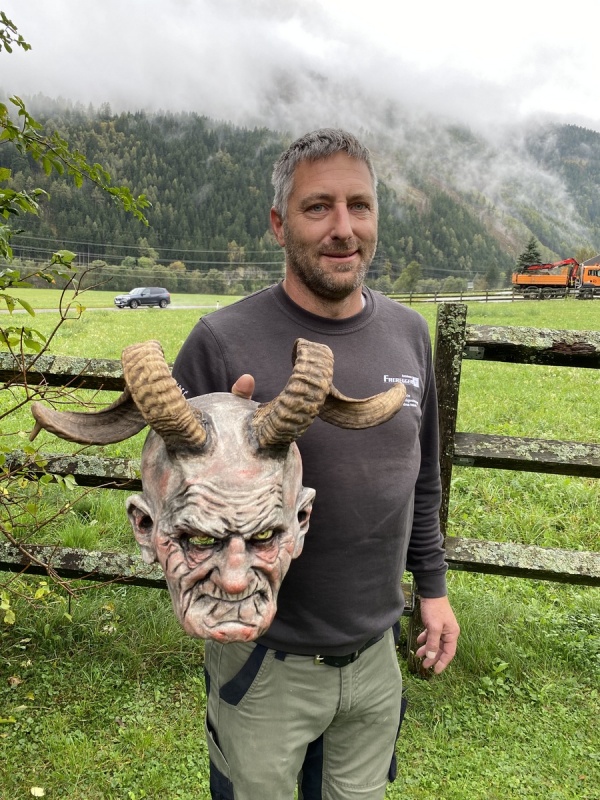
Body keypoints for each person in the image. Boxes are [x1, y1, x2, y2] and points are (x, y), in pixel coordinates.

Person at [172, 128, 459, 800]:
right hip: (264, 663)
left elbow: (421, 479)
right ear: (279, 224)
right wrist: (223, 456)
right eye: (318, 207)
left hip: (375, 657)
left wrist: (434, 589)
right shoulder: (220, 343)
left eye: (359, 206)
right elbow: (167, 503)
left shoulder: (409, 334)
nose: (343, 229)